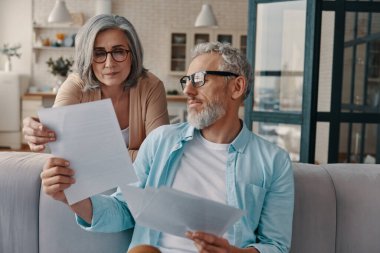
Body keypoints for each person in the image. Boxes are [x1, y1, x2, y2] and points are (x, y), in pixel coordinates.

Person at [41, 42, 294, 253]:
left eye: (200, 80)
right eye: (187, 80)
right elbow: (124, 209)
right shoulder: (161, 141)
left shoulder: (273, 161)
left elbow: (276, 246)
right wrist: (72, 196)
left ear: (237, 87)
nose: (187, 90)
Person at [22, 14, 169, 161]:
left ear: (133, 55)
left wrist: (97, 155)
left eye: (118, 51)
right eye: (98, 54)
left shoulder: (151, 86)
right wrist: (37, 128)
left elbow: (158, 155)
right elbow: (56, 132)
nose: (109, 63)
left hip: (138, 181)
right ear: (87, 58)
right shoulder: (76, 85)